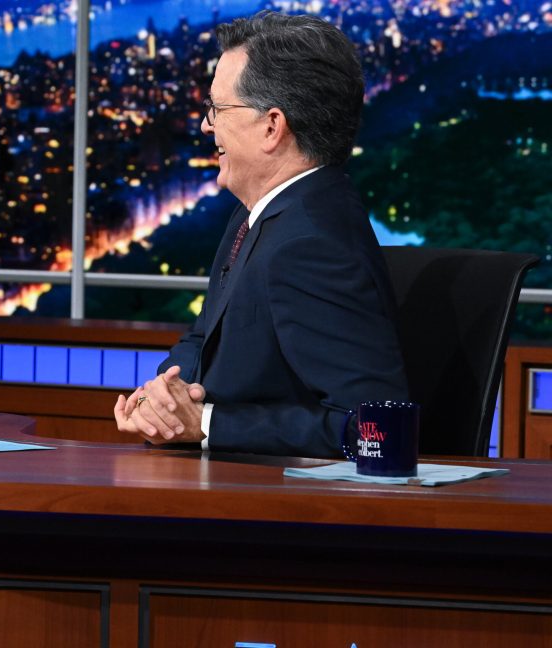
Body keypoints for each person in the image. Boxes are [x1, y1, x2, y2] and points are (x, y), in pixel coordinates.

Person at [114, 12, 409, 458]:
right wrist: (161, 402)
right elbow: (203, 339)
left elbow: (373, 427)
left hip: (275, 495)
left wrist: (206, 424)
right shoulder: (256, 213)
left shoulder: (311, 243)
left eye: (218, 109)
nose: (206, 125)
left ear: (272, 126)